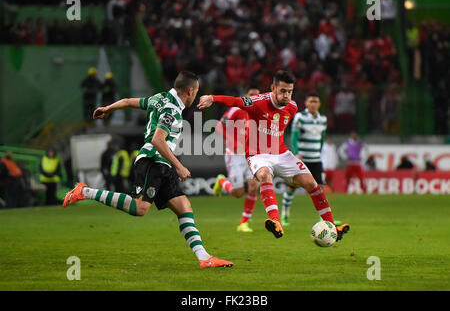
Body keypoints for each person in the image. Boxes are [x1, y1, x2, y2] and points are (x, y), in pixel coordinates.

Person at [63, 71, 233, 269]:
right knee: (140, 208)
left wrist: (108, 108)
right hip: (153, 161)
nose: (195, 97)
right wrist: (180, 166)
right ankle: (84, 191)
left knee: (184, 206)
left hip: (162, 164)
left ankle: (204, 258)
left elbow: (127, 101)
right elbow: (157, 140)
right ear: (190, 90)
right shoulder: (172, 110)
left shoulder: (158, 98)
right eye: (195, 93)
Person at [198, 70, 350, 241]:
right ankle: (275, 220)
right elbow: (236, 101)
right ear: (273, 88)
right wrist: (212, 97)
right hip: (257, 154)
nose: (286, 95)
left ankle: (332, 226)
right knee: (264, 176)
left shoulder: (292, 107)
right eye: (283, 91)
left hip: (281, 153)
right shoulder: (258, 101)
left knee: (312, 183)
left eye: (290, 91)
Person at [212, 86, 261, 233]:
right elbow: (219, 126)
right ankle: (221, 180)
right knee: (238, 193)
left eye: (256, 95)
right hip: (234, 154)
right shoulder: (236, 109)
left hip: (251, 154)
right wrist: (233, 141)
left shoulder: (261, 112)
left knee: (254, 187)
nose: (253, 98)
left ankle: (244, 223)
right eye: (251, 94)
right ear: (246, 96)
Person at [281, 93, 327, 227]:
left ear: (319, 104)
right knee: (292, 187)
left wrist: (319, 151)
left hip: (316, 159)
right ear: (306, 103)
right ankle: (284, 214)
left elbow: (322, 138)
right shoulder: (300, 118)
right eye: (311, 101)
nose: (313, 104)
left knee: (320, 189)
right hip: (302, 158)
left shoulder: (323, 119)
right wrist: (296, 153)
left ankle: (323, 219)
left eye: (316, 101)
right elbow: (294, 137)